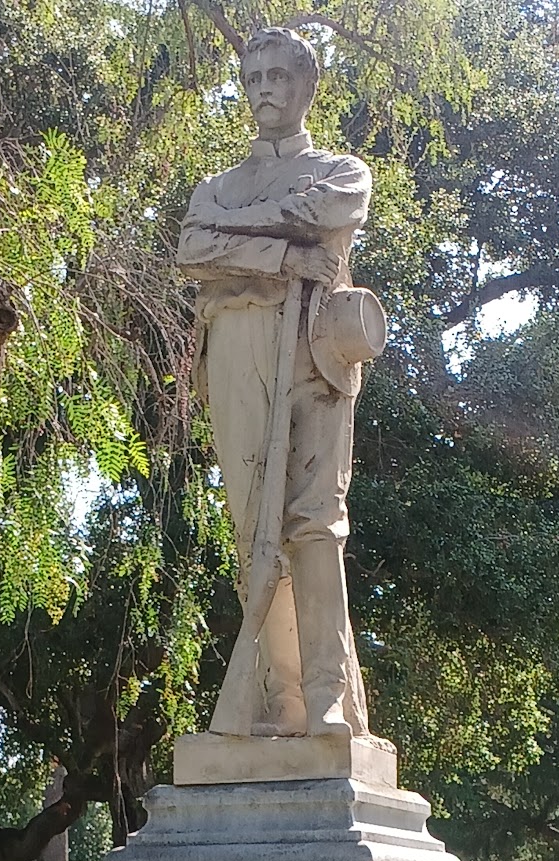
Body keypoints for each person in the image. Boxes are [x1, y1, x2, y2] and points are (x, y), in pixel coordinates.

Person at [177, 27, 383, 737]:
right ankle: (276, 699)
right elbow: (193, 247)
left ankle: (327, 695)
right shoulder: (216, 187)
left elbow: (321, 215)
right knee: (252, 533)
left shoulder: (342, 170)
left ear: (305, 88)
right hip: (235, 345)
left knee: (314, 527)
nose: (264, 88)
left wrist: (241, 240)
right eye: (254, 75)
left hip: (313, 351)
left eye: (278, 77)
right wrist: (282, 255)